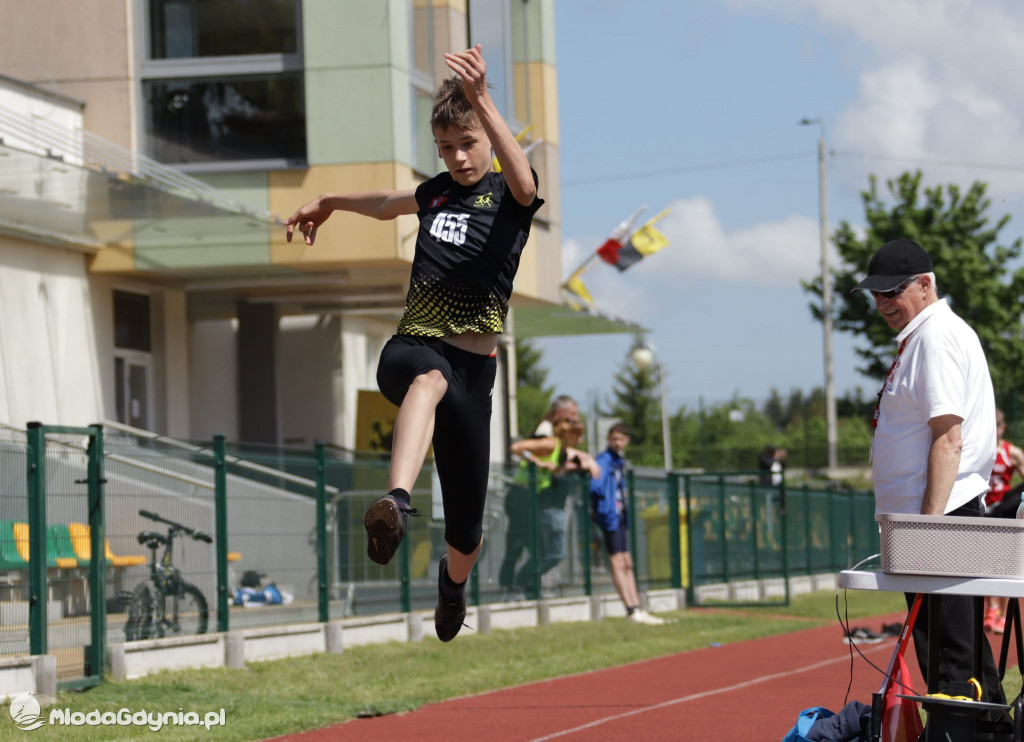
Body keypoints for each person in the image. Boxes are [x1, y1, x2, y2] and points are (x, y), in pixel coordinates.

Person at [283, 44, 543, 642]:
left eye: (466, 144)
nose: (455, 156)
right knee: (428, 381)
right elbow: (383, 205)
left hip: (475, 375)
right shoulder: (436, 193)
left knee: (467, 534)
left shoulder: (511, 196)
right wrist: (330, 203)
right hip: (416, 346)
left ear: (487, 139)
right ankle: (396, 502)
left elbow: (526, 179)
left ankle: (452, 588)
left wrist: (482, 99)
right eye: (445, 147)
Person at [855, 238, 1005, 709]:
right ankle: (987, 732)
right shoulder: (926, 337)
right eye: (875, 295)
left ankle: (967, 731)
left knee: (949, 658)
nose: (882, 304)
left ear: (924, 285)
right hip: (935, 516)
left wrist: (927, 527)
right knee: (953, 652)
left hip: (941, 514)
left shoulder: (936, 338)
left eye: (891, 292)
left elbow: (948, 438)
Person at [503, 412, 599, 596]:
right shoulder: (551, 443)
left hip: (532, 498)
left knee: (538, 550)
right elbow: (517, 448)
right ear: (567, 435)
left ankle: (527, 588)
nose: (579, 440)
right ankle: (517, 585)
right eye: (577, 436)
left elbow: (572, 456)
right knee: (524, 547)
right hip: (521, 496)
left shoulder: (561, 449)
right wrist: (538, 462)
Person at [590, 422, 665, 625]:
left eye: (620, 439)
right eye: (613, 438)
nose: (616, 443)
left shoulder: (619, 461)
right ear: (608, 439)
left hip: (621, 515)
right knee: (618, 562)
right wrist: (603, 506)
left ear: (627, 441)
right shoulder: (604, 460)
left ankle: (637, 605)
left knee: (627, 562)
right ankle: (631, 609)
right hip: (609, 516)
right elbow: (595, 485)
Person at [982, 408, 1024, 632]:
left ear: (1003, 427)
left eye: (997, 426)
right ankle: (990, 609)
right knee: (985, 564)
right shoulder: (979, 449)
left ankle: (1004, 613)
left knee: (1007, 566)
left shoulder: (1012, 452)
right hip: (983, 513)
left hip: (1004, 514)